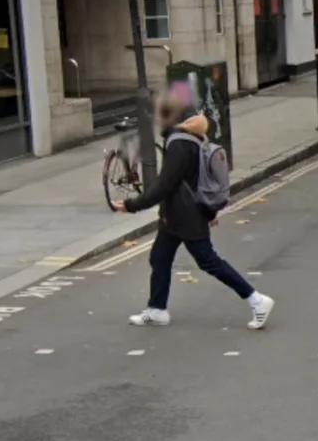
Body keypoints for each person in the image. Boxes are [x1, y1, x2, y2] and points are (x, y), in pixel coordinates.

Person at [110, 89, 274, 330]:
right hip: (177, 215)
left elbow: (165, 184)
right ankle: (157, 309)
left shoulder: (179, 145)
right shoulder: (190, 139)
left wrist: (132, 205)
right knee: (160, 257)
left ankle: (256, 299)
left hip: (185, 215)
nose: (156, 121)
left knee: (208, 261)